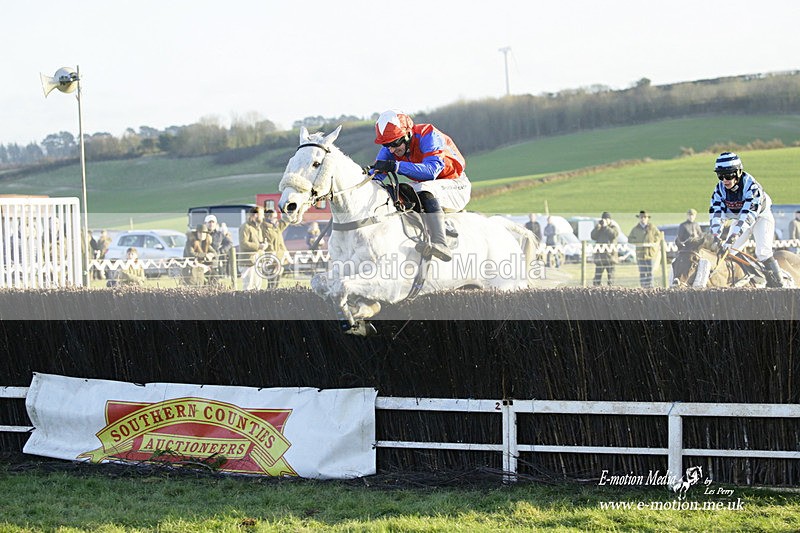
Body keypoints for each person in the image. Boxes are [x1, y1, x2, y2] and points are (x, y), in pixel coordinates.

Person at [369, 109, 470, 262]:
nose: (391, 149)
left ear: (407, 134)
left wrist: (396, 166)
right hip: (427, 185)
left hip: (455, 184)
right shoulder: (391, 145)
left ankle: (440, 243)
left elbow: (431, 172)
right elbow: (375, 176)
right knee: (393, 190)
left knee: (424, 188)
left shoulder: (429, 135)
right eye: (386, 145)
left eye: (394, 143)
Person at [710, 151, 785, 288]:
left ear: (738, 172)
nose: (724, 180)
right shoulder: (719, 190)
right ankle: (746, 279)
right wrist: (716, 235)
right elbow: (716, 214)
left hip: (760, 217)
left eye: (728, 175)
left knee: (762, 252)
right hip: (740, 219)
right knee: (730, 252)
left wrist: (733, 236)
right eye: (720, 176)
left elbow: (748, 216)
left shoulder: (751, 187)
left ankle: (780, 286)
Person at [628, 210, 663, 288]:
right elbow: (630, 239)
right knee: (642, 272)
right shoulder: (635, 229)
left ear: (647, 218)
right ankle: (643, 288)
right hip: (640, 254)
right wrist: (639, 243)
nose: (643, 219)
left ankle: (650, 287)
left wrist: (652, 242)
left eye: (644, 217)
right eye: (641, 217)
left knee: (650, 272)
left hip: (650, 254)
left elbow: (659, 236)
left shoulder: (652, 228)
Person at [239, 206, 267, 290]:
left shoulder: (257, 228)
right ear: (255, 215)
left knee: (257, 287)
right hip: (248, 262)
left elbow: (258, 242)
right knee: (248, 288)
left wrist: (264, 245)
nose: (263, 217)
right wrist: (259, 246)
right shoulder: (245, 227)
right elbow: (243, 243)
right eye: (261, 215)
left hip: (257, 261)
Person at [262, 209, 290, 289]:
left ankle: (274, 290)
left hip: (280, 255)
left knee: (278, 274)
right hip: (271, 255)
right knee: (271, 276)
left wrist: (288, 213)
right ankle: (270, 291)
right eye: (274, 217)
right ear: (269, 217)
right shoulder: (264, 227)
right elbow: (268, 242)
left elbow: (285, 222)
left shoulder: (276, 227)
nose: (276, 219)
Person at [591, 212, 618, 286]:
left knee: (611, 278)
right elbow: (593, 236)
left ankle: (611, 292)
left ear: (610, 220)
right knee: (597, 278)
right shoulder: (599, 228)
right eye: (603, 219)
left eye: (606, 219)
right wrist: (597, 227)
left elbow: (613, 235)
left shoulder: (613, 227)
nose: (605, 220)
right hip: (600, 257)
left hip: (610, 257)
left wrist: (606, 227)